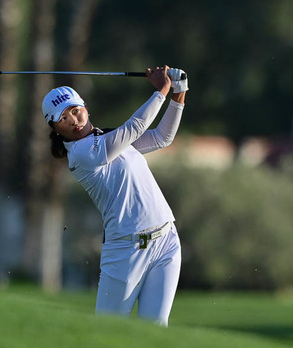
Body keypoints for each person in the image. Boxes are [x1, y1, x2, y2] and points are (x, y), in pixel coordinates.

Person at [42, 65, 188, 326]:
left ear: (86, 108)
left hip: (166, 241)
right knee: (108, 332)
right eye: (63, 118)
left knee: (155, 330)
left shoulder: (108, 138)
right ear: (55, 128)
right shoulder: (81, 154)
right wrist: (162, 89)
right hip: (125, 250)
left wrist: (179, 91)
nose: (74, 121)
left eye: (76, 111)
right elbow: (135, 128)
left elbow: (161, 138)